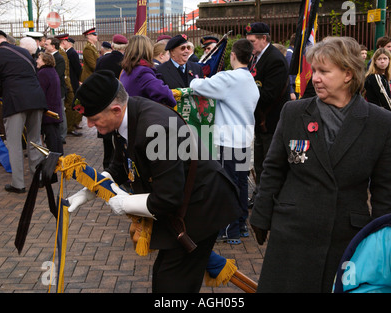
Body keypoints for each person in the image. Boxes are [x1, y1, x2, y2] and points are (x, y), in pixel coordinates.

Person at [250, 36, 391, 293]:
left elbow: (385, 190)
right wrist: (261, 215)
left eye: (323, 71)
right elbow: (273, 168)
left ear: (348, 74)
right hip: (292, 232)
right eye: (314, 71)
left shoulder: (380, 122)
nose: (315, 78)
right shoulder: (294, 112)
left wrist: (382, 240)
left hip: (344, 236)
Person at [68, 70, 241, 293]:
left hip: (204, 205)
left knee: (172, 284)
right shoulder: (128, 116)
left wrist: (125, 204)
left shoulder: (156, 128)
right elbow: (121, 166)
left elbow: (168, 198)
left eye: (93, 118)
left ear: (116, 109)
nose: (90, 125)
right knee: (166, 278)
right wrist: (94, 187)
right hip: (183, 203)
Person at [190, 38, 259, 244]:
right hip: (244, 138)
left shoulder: (230, 77)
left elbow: (198, 86)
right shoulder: (249, 79)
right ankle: (241, 224)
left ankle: (230, 230)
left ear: (233, 56)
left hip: (228, 139)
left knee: (227, 185)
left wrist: (195, 76)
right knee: (240, 184)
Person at [0, 30, 47, 193]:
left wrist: (3, 94)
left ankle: (18, 184)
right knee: (35, 141)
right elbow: (34, 73)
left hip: (15, 102)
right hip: (37, 98)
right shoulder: (24, 52)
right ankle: (38, 178)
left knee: (14, 144)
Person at [245, 22, 290, 187]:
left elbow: (269, 95)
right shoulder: (256, 58)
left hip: (272, 122)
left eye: (252, 42)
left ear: (264, 38)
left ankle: (270, 198)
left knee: (271, 165)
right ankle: (260, 195)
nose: (250, 46)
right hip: (260, 123)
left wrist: (243, 96)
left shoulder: (274, 59)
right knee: (260, 164)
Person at [364, 47, 391, 192]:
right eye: (379, 59)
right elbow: (386, 100)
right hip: (379, 119)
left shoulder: (381, 77)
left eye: (385, 59)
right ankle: (388, 182)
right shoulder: (375, 77)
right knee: (385, 153)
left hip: (377, 118)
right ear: (374, 61)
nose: (382, 61)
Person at [94, 34, 128, 170]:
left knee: (107, 139)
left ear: (112, 46)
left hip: (104, 101)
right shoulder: (126, 61)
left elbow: (96, 80)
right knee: (121, 136)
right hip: (121, 102)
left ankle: (107, 165)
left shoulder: (102, 60)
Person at [119, 35, 176, 108]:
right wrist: (173, 105)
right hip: (145, 116)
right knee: (174, 118)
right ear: (148, 50)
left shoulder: (126, 70)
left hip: (132, 113)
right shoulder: (142, 72)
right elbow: (165, 94)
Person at [36, 52, 63, 155]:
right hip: (55, 109)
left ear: (45, 61)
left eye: (39, 59)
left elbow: (40, 92)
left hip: (48, 111)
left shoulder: (43, 73)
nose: (37, 61)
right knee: (56, 137)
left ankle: (54, 163)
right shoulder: (52, 71)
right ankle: (59, 158)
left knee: (51, 139)